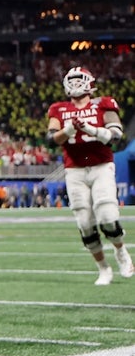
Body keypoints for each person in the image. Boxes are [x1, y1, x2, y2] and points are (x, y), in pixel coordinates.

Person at [46, 66, 133, 286]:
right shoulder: (58, 109)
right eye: (72, 80)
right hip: (74, 169)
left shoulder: (103, 104)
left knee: (107, 215)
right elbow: (51, 139)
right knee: (84, 222)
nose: (75, 84)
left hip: (101, 166)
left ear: (90, 82)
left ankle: (121, 251)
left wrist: (90, 129)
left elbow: (116, 135)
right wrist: (68, 130)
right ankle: (103, 268)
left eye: (79, 79)